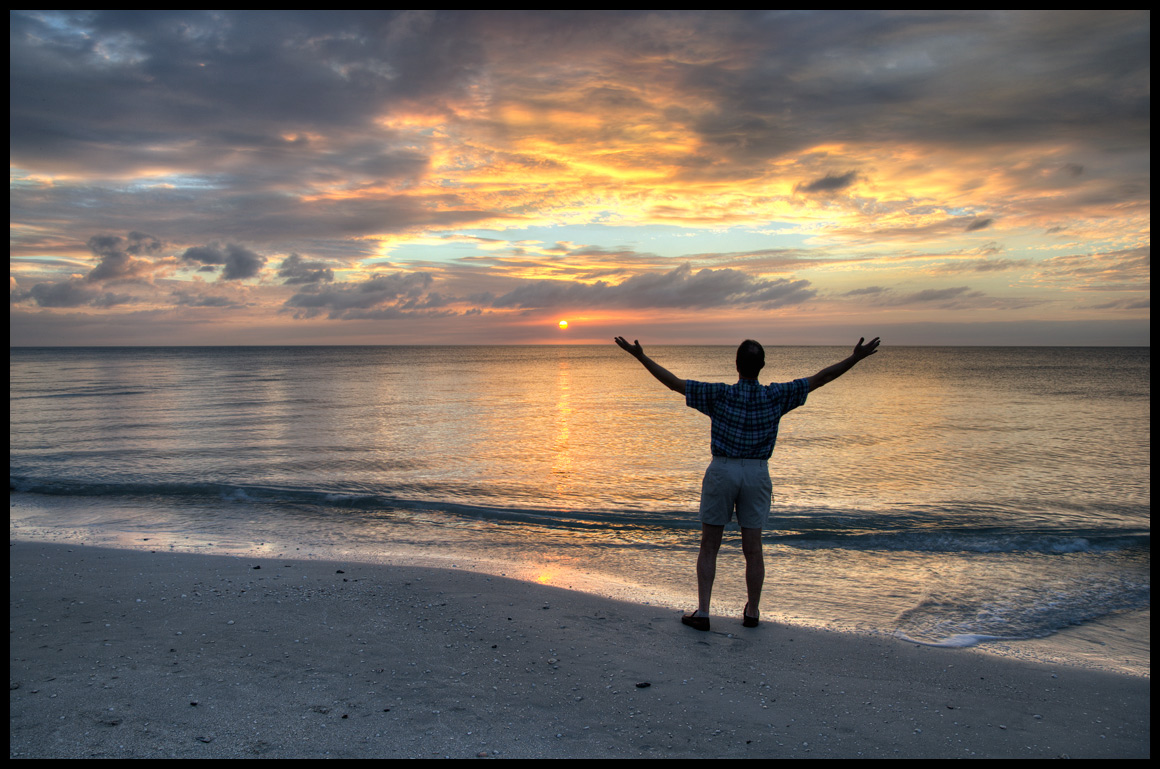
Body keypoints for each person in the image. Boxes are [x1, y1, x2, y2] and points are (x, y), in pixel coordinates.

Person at [614, 335, 880, 631]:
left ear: (736, 365)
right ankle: (752, 611)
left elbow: (674, 383)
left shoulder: (720, 395)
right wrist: (855, 358)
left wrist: (640, 356)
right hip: (757, 472)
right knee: (753, 548)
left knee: (710, 545)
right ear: (762, 366)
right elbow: (821, 378)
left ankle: (704, 612)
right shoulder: (776, 395)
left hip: (723, 469)